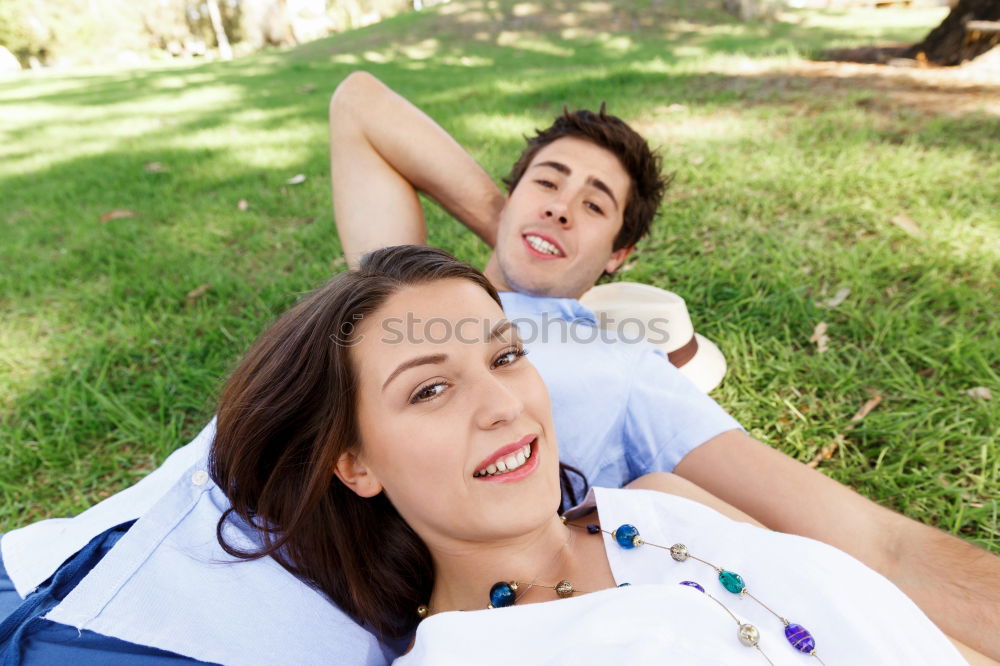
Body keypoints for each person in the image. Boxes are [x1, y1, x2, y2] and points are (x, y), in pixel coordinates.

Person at [0, 246, 987, 664]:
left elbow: (880, 568)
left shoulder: (649, 472)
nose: (499, 405)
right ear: (357, 464)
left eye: (508, 358)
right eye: (430, 388)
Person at [327, 71, 1000, 659]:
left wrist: (543, 246)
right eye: (547, 183)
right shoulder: (406, 307)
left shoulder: (621, 365)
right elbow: (358, 104)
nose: (562, 205)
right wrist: (519, 233)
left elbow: (877, 546)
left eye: (595, 206)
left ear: (618, 256)